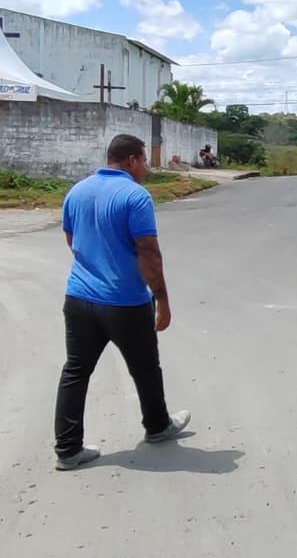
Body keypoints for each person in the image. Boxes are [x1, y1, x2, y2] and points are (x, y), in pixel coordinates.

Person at [54, 134, 191, 471]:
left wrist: (94, 267)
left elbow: (73, 240)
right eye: (143, 160)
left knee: (76, 371)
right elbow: (149, 251)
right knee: (145, 367)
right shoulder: (135, 195)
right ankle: (157, 426)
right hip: (125, 302)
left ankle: (68, 450)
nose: (145, 167)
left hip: (79, 298)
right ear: (131, 160)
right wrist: (162, 299)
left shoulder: (77, 191)